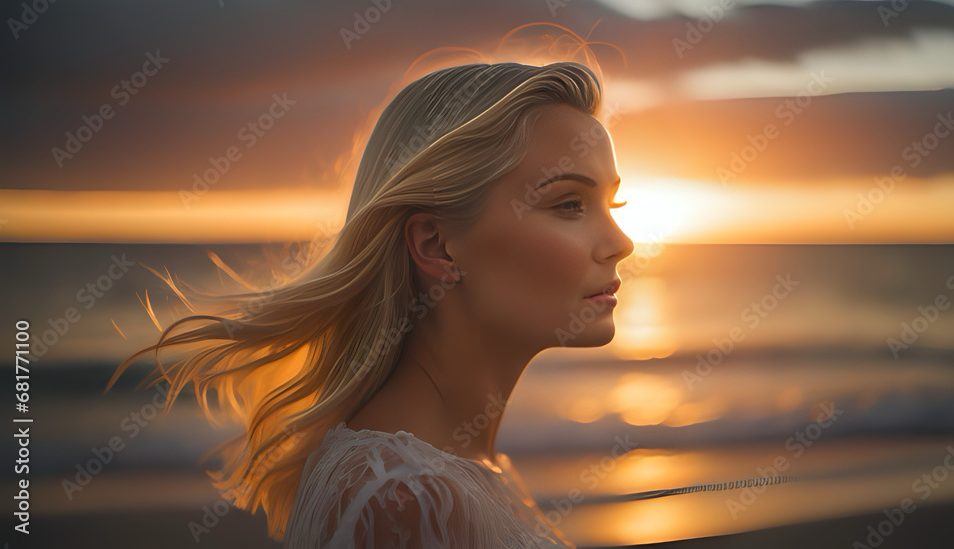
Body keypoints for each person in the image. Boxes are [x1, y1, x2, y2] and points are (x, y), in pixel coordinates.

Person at [107, 60, 633, 548]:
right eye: (569, 204)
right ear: (435, 245)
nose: (621, 242)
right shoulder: (401, 498)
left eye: (611, 204)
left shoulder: (457, 471)